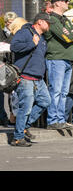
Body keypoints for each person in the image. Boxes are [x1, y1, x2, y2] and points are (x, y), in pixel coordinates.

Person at [9, 12, 52, 147]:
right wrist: (31, 44)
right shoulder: (26, 32)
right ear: (40, 22)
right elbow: (14, 47)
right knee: (25, 108)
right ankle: (17, 137)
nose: (50, 25)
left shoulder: (42, 37)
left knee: (45, 101)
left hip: (37, 78)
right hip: (26, 77)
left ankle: (24, 127)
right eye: (48, 22)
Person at [44, 0, 73, 130]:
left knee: (64, 92)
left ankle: (60, 119)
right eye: (65, 1)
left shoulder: (65, 19)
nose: (67, 3)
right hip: (56, 58)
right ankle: (53, 120)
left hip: (66, 58)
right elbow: (68, 37)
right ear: (57, 3)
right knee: (56, 91)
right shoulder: (52, 19)